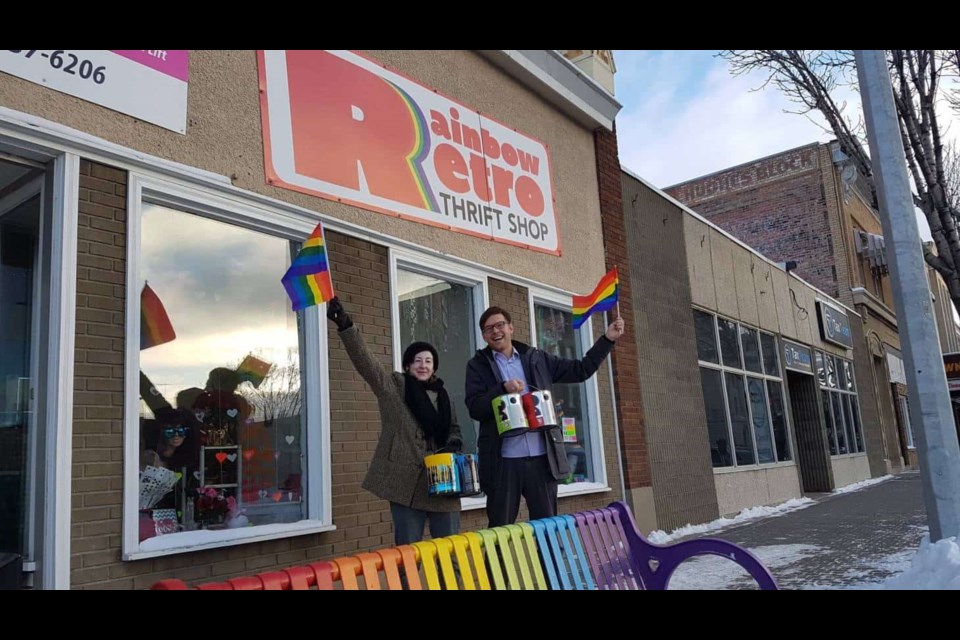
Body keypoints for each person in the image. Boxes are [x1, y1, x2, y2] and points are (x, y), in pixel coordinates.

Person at [465, 306, 625, 527]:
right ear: (484, 335)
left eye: (500, 325)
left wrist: (607, 339)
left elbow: (581, 370)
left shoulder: (536, 358)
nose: (495, 331)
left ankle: (545, 563)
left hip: (542, 458)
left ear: (511, 328)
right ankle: (497, 564)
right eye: (489, 328)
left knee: (547, 529)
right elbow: (474, 407)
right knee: (499, 532)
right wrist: (502, 389)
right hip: (503, 462)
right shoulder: (477, 366)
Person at [326, 296, 463, 545]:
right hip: (406, 484)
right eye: (417, 361)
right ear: (408, 366)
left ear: (434, 367)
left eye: (428, 361)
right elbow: (367, 364)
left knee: (449, 551)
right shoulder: (394, 388)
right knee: (407, 556)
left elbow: (454, 429)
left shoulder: (444, 397)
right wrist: (346, 326)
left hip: (444, 480)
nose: (423, 365)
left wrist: (453, 443)